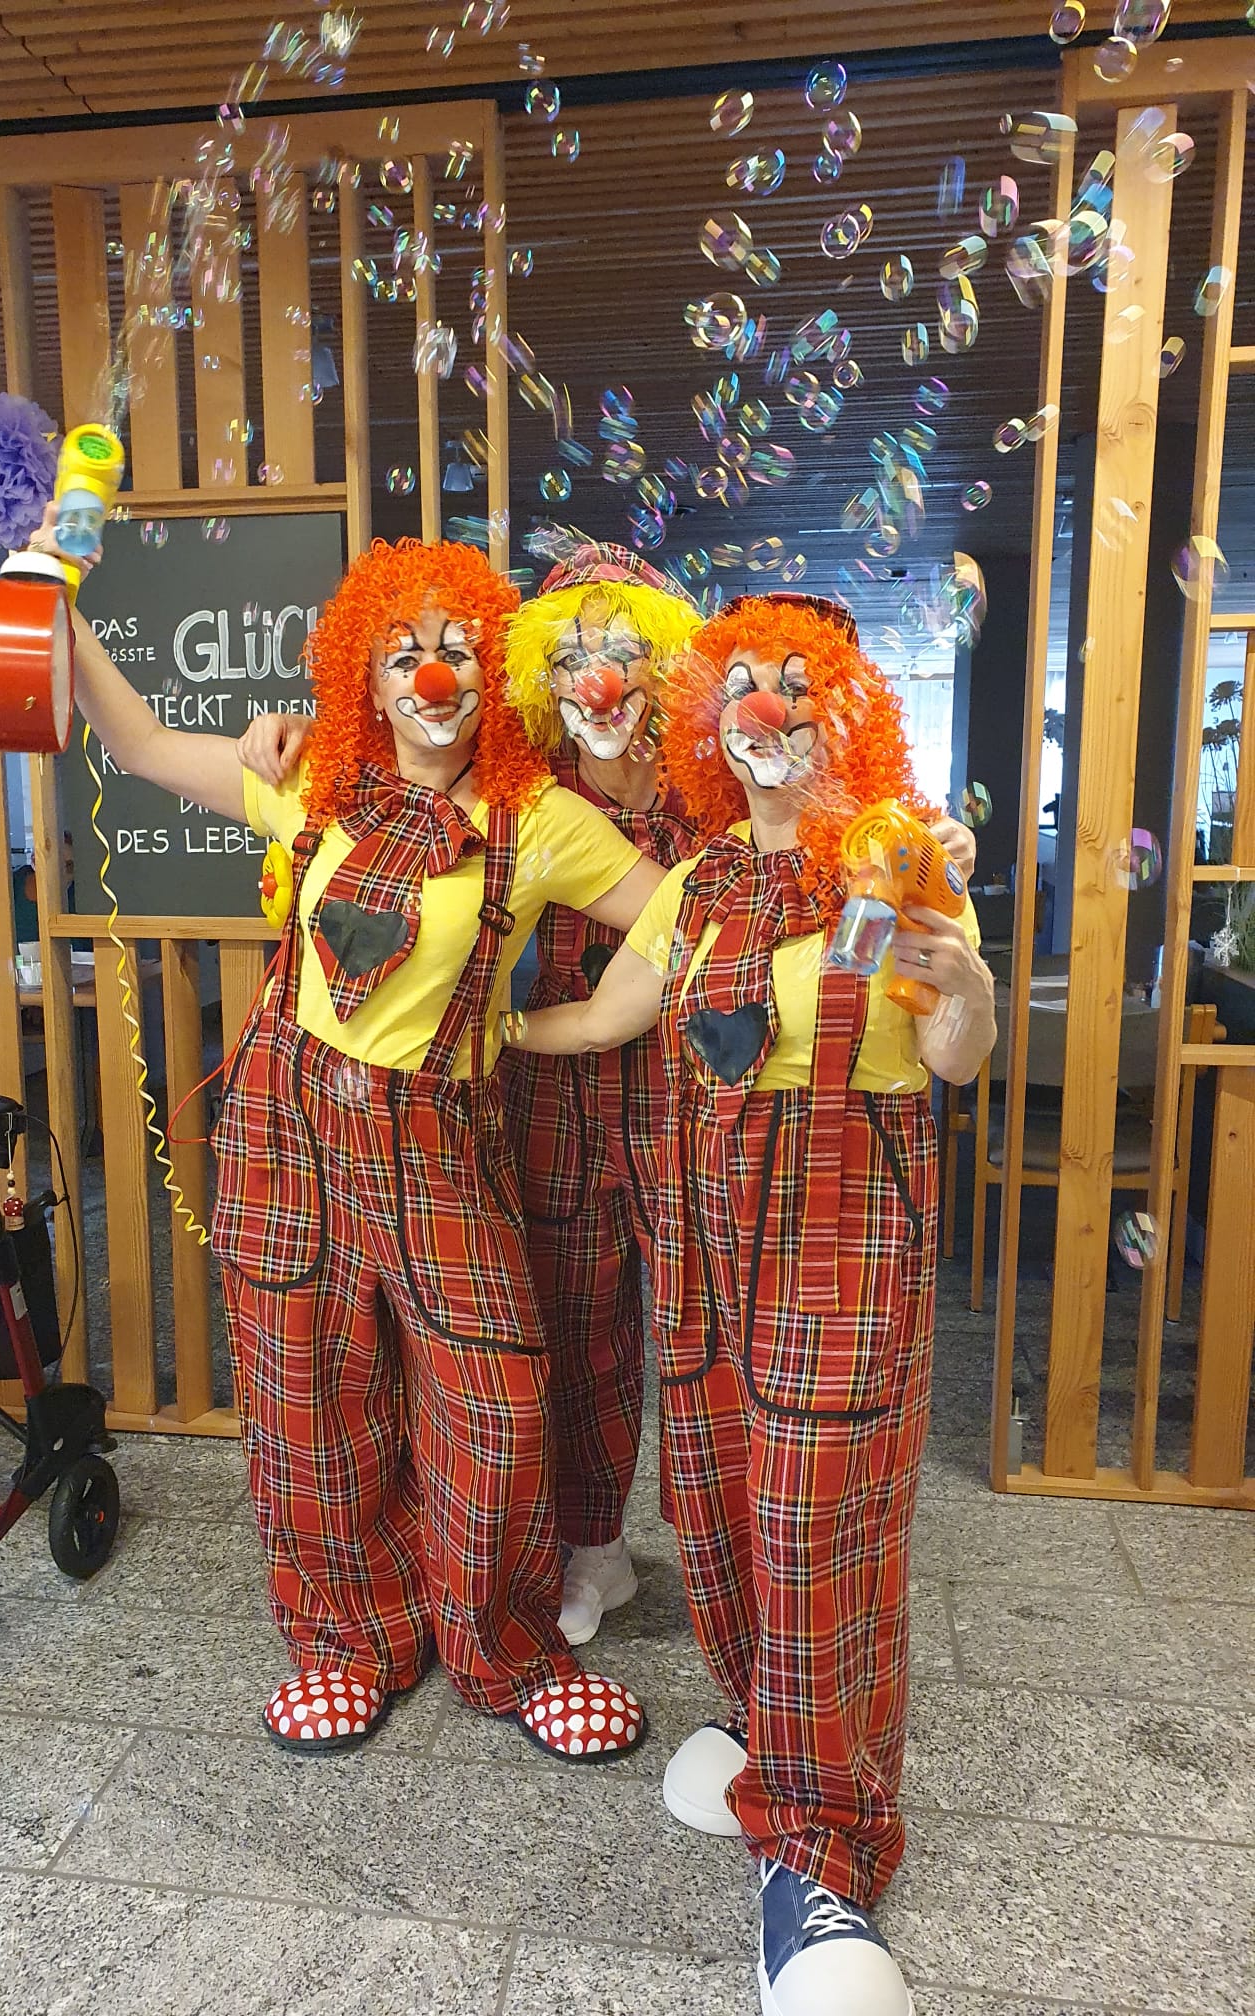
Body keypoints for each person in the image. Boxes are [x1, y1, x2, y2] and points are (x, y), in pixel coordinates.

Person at [43, 515, 665, 1761]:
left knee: (495, 1404)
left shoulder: (538, 819)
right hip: (292, 1126)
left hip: (443, 1138)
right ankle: (349, 1643)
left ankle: (503, 1648)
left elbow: (686, 922)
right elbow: (141, 742)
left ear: (493, 672)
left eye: (458, 650)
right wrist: (52, 602)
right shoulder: (311, 781)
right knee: (310, 1400)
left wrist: (585, 1022)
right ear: (364, 681)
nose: (433, 676)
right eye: (401, 654)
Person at [500, 593, 996, 2016]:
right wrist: (478, 1037)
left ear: (843, 716)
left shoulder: (893, 863)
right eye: (739, 688)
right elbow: (612, 1016)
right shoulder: (702, 879)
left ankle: (825, 1854)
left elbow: (955, 1057)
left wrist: (964, 980)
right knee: (717, 1499)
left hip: (845, 1226)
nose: (762, 710)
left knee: (820, 1526)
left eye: (794, 685)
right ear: (710, 725)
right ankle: (765, 1720)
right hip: (705, 1227)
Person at [499, 543, 702, 1642]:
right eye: (574, 656)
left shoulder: (725, 782)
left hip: (694, 1096)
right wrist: (284, 729)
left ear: (666, 663)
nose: (601, 679)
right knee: (578, 1333)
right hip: (554, 1096)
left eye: (625, 651)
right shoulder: (520, 787)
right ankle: (594, 1551)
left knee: (710, 1327)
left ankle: (732, 1560)